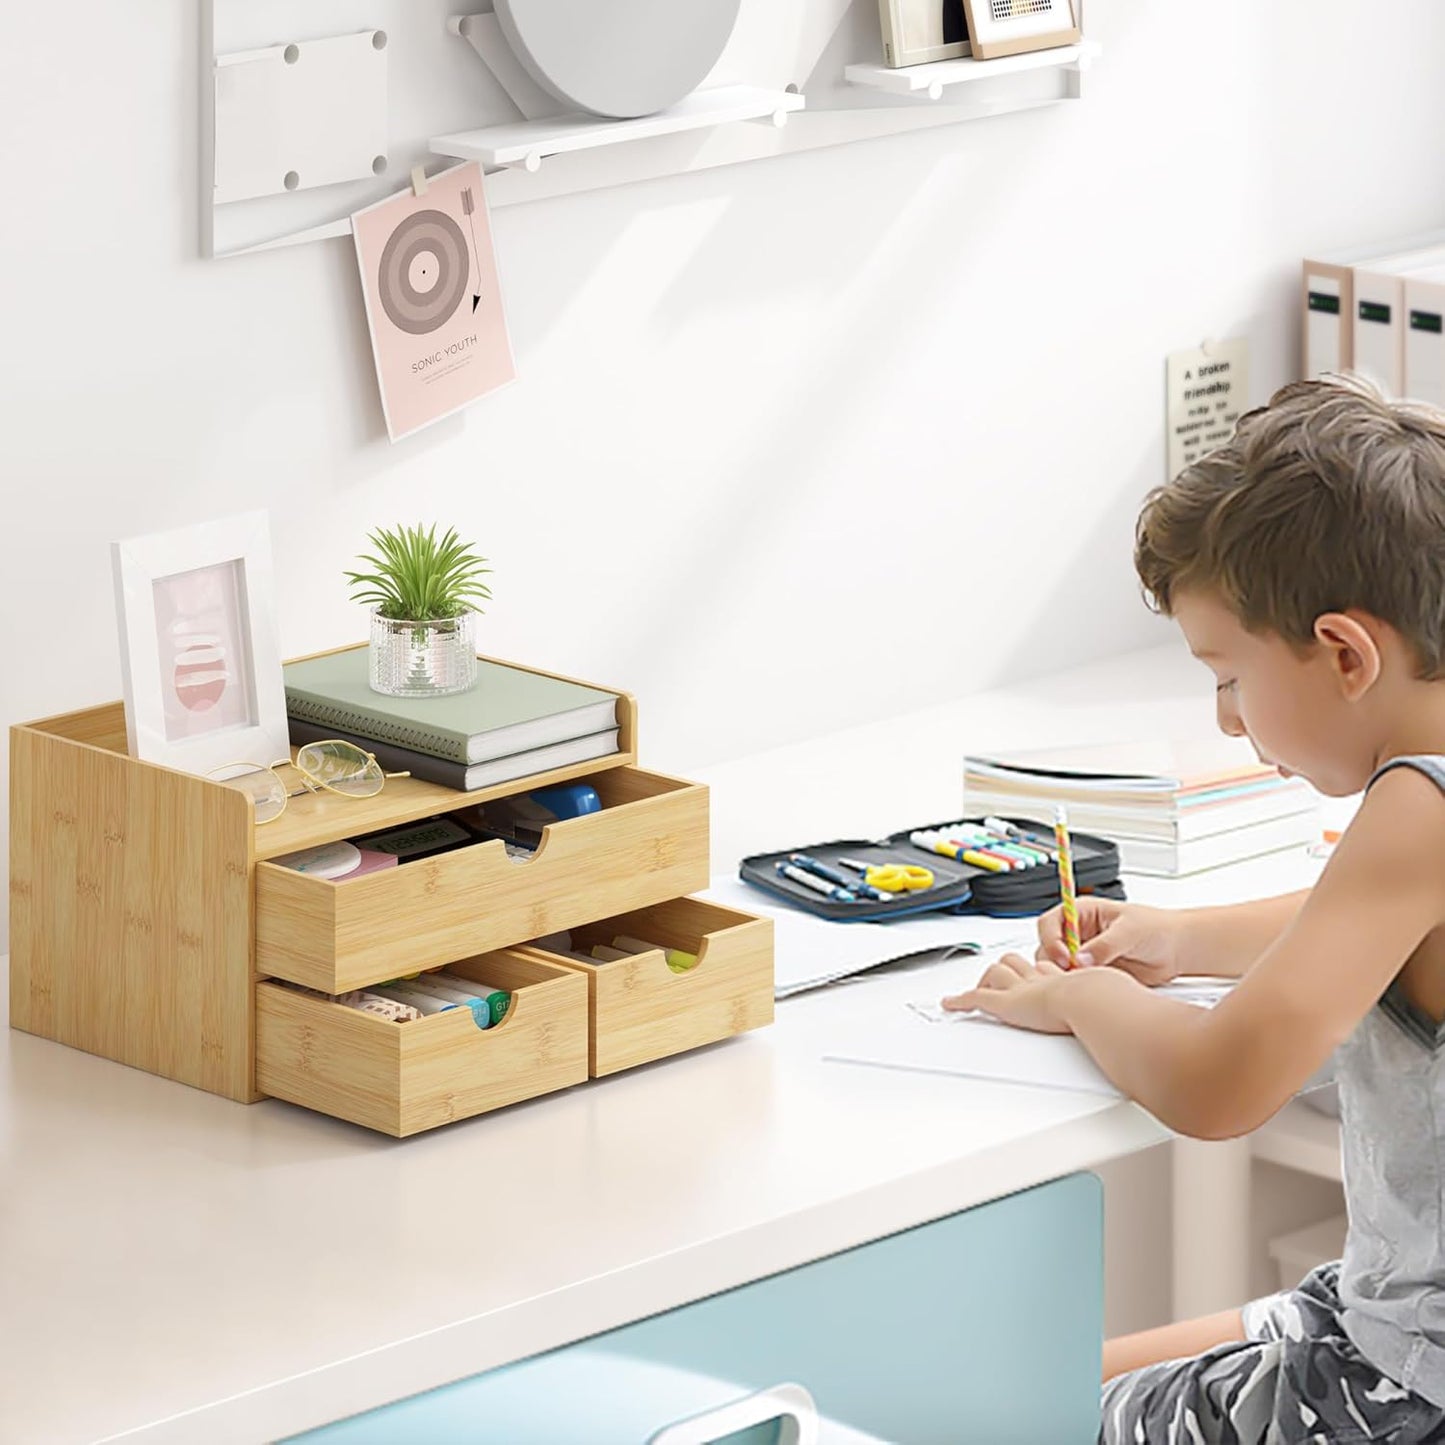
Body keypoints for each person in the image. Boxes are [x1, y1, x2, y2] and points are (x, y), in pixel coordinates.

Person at [944, 375, 1445, 1443]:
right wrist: (1178, 937)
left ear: (1345, 653)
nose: (1224, 720)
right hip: (1381, 1317)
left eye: (1225, 674)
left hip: (1403, 1389)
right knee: (1028, 1379)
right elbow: (1367, 919)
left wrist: (1078, 998)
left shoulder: (1415, 807)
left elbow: (1219, 1085)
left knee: (1003, 1415)